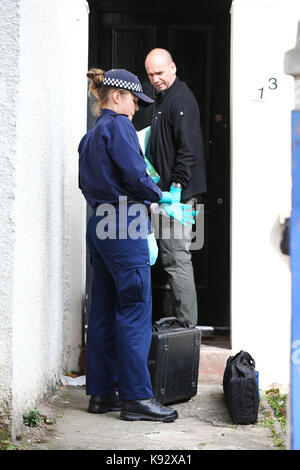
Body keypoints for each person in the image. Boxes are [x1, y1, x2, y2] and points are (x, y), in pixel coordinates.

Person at [78, 67, 195, 422]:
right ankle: (136, 398)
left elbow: (87, 185)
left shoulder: (91, 135)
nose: (136, 109)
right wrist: (160, 197)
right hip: (124, 224)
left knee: (102, 309)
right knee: (135, 312)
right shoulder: (119, 127)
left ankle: (102, 393)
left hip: (99, 222)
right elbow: (135, 174)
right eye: (133, 101)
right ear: (116, 96)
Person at [144, 48, 207, 327]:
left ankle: (186, 328)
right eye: (150, 74)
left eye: (160, 72)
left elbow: (188, 150)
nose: (156, 79)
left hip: (178, 197)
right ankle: (183, 324)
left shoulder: (180, 99)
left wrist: (177, 188)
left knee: (176, 258)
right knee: (171, 258)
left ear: (173, 68)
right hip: (167, 195)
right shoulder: (163, 99)